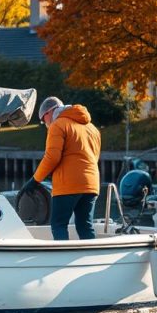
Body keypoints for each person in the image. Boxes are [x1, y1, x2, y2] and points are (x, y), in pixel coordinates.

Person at [22, 96, 102, 241]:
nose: (44, 123)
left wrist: (35, 180)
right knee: (85, 225)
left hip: (68, 184)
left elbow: (52, 157)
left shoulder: (58, 125)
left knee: (58, 224)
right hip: (91, 184)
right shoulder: (92, 128)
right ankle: (91, 258)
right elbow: (94, 156)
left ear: (49, 112)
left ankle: (62, 261)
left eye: (43, 119)